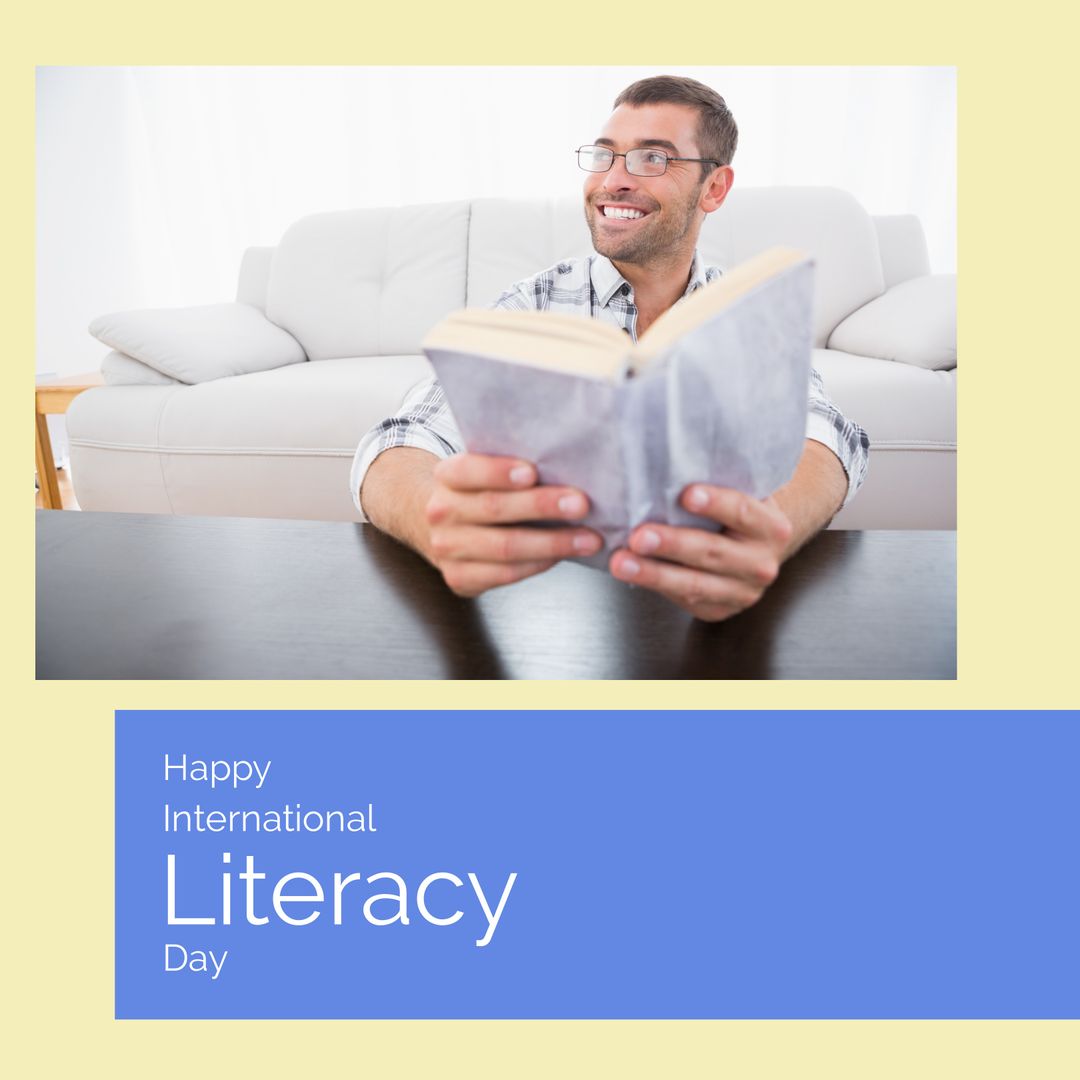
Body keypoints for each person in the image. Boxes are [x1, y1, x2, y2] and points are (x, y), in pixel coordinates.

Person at [352, 75, 869, 623]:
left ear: (714, 188)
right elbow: (402, 440)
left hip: (710, 618)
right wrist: (435, 518)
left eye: (653, 159)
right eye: (604, 156)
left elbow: (829, 435)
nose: (614, 180)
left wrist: (770, 529)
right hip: (555, 608)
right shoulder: (534, 304)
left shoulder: (742, 310)